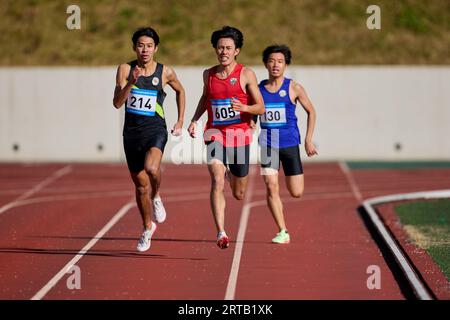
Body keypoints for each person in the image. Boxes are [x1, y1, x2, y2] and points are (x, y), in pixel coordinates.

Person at [187, 26, 265, 249]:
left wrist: (245, 107)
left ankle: (233, 175)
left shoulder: (246, 74)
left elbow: (260, 107)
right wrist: (194, 119)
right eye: (220, 47)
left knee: (239, 194)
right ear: (215, 49)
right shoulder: (208, 74)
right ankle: (221, 232)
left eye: (228, 48)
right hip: (215, 134)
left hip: (240, 137)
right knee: (216, 179)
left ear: (237, 50)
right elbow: (205, 98)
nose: (224, 52)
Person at [113, 27, 185, 252]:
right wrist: (131, 83)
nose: (145, 50)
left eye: (149, 46)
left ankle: (158, 197)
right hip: (132, 134)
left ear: (156, 48)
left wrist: (180, 120)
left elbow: (180, 91)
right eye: (141, 45)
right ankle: (147, 227)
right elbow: (117, 103)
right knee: (140, 187)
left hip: (156, 129)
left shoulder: (165, 72)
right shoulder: (125, 69)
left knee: (152, 169)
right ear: (134, 47)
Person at [257, 44, 317, 244]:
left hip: (290, 143)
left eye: (280, 62)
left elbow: (312, 112)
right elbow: (251, 116)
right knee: (271, 186)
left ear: (286, 65)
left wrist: (308, 140)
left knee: (296, 192)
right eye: (272, 61)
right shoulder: (258, 90)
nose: (275, 65)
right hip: (268, 145)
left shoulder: (294, 88)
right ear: (266, 63)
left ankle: (283, 226)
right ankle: (283, 230)